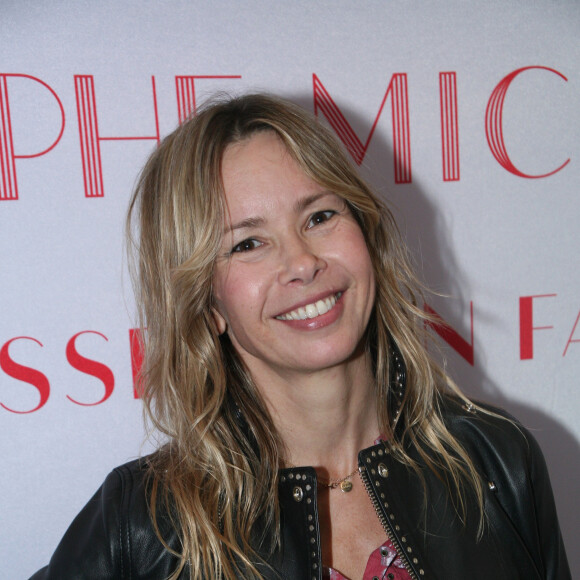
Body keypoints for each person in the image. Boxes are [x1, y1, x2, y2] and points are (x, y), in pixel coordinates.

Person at [31, 94, 570, 580]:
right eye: (247, 244)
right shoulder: (141, 528)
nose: (303, 263)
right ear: (207, 304)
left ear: (367, 236)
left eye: (319, 216)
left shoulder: (495, 457)